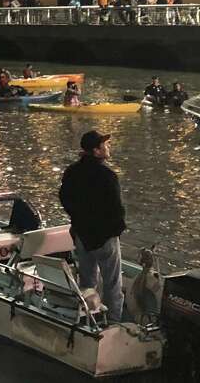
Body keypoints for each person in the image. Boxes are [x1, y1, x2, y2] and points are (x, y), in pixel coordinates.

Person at [58, 131, 125, 323]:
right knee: (112, 284)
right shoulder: (107, 175)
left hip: (82, 236)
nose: (108, 147)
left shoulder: (72, 171)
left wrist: (77, 220)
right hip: (105, 238)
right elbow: (116, 208)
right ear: (96, 151)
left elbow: (64, 198)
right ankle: (113, 323)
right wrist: (116, 231)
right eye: (105, 145)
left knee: (87, 282)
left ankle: (88, 319)